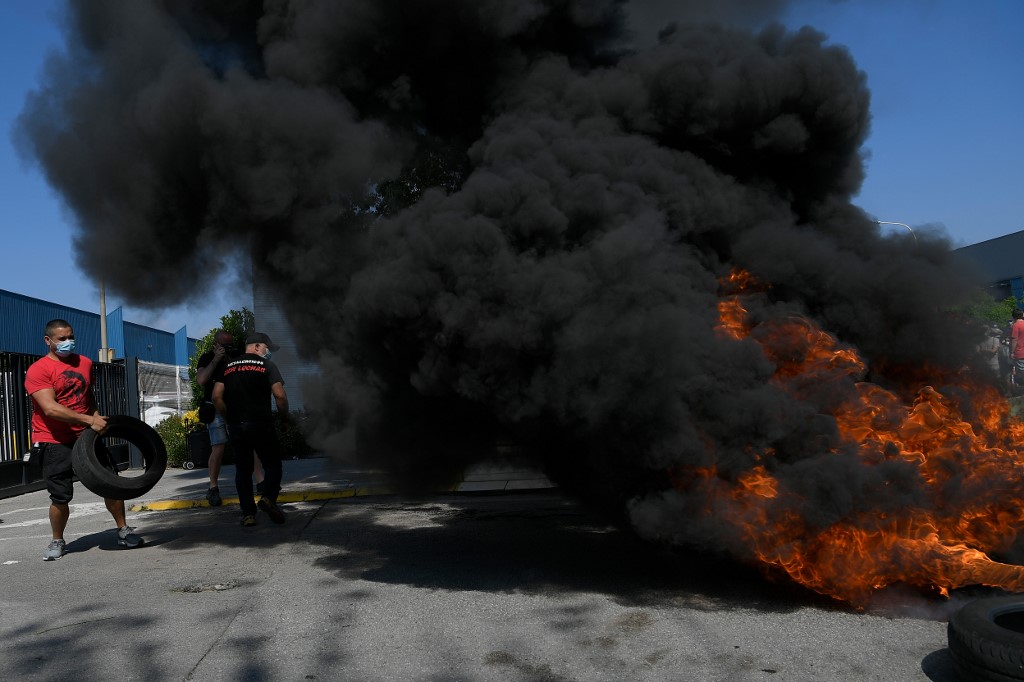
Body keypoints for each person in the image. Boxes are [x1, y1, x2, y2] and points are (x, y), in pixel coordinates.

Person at [25, 319, 143, 560]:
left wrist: (95, 416)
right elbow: (50, 409)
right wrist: (89, 421)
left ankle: (123, 530)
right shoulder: (39, 369)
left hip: (86, 437)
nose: (69, 342)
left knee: (110, 482)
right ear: (48, 341)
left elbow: (87, 396)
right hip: (55, 439)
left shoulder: (85, 363)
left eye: (71, 336)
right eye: (62, 339)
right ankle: (57, 540)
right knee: (61, 495)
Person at [212, 332, 289, 527]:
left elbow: (216, 397)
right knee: (273, 465)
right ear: (256, 347)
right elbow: (279, 395)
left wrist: (227, 417)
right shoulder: (267, 366)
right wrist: (284, 416)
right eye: (266, 348)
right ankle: (268, 498)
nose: (268, 352)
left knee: (243, 470)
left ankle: (248, 514)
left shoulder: (228, 367)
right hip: (261, 424)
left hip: (237, 426)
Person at [195, 329, 235, 506]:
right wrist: (216, 359)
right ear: (216, 344)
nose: (228, 348)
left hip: (235, 405)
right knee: (218, 447)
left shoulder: (235, 357)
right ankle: (213, 487)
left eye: (230, 344)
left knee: (249, 444)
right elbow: (201, 380)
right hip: (215, 407)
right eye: (224, 345)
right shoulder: (207, 358)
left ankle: (260, 481)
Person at [1011, 309, 1024, 386]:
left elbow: (1014, 339)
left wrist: (1012, 352)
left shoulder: (1015, 325)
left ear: (1013, 316)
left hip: (1020, 352)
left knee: (1021, 370)